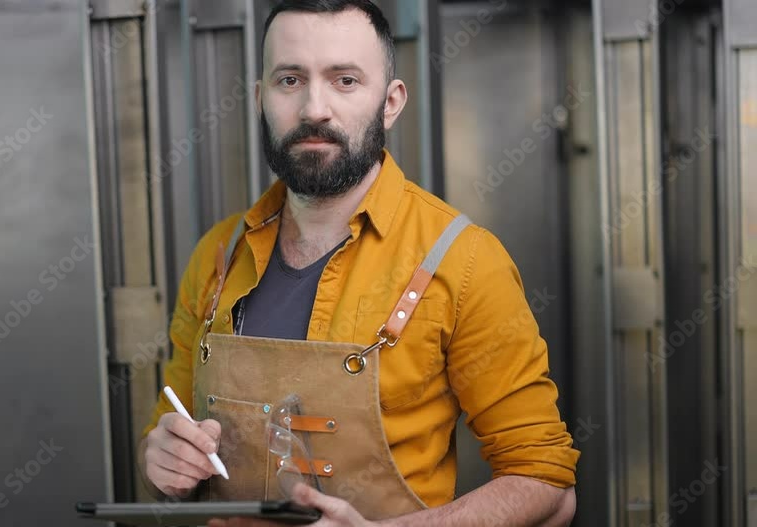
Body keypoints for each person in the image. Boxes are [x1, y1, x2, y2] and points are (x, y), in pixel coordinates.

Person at [138, 0, 579, 524]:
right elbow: (168, 437)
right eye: (289, 80)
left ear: (390, 102)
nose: (314, 109)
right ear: (260, 99)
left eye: (344, 81)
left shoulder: (465, 262)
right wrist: (161, 461)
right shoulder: (217, 254)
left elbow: (546, 483)